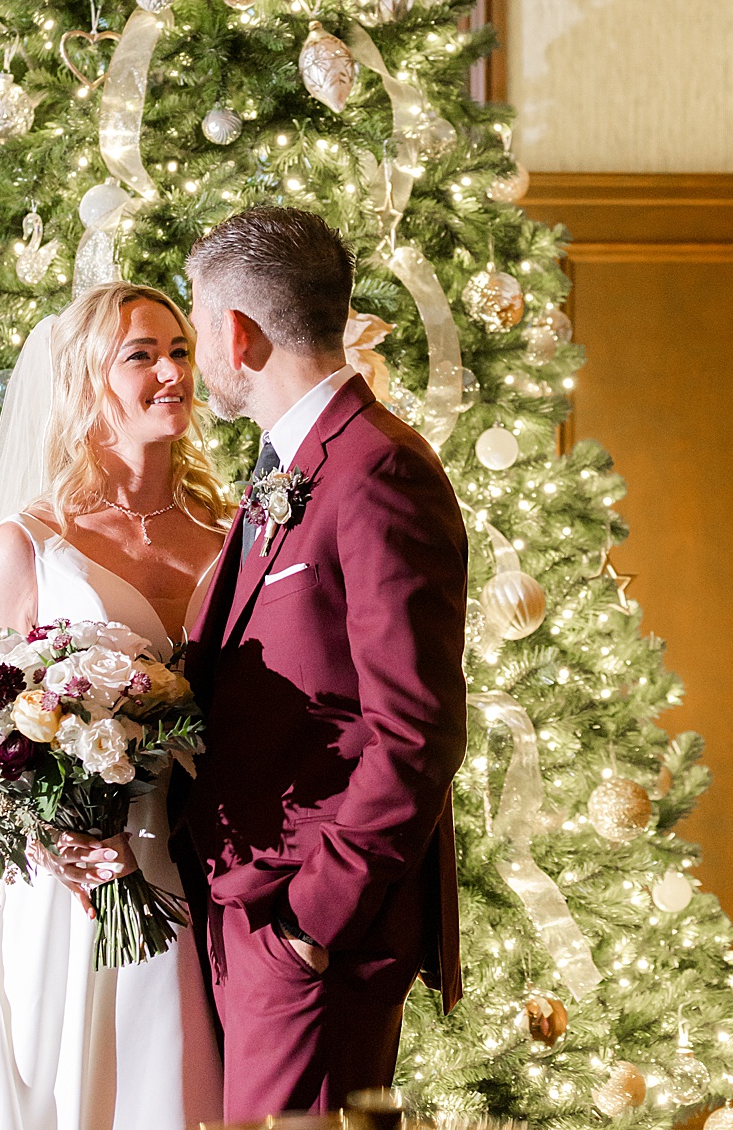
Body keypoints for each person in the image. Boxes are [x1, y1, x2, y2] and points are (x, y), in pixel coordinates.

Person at [0, 282, 230, 1130]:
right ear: (86, 381)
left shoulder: (230, 537)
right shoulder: (30, 543)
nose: (172, 372)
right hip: (66, 895)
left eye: (181, 349)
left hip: (201, 876)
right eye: (141, 354)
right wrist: (50, 834)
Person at [179, 206, 470, 1118]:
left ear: (236, 333)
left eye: (196, 324)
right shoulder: (295, 460)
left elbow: (417, 731)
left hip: (313, 938)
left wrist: (310, 922)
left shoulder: (379, 469)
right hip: (246, 909)